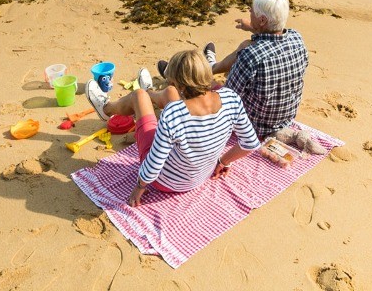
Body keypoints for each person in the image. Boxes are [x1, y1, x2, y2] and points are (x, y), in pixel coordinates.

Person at [87, 51, 261, 208]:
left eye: (173, 82)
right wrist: (223, 161)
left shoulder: (173, 114)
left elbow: (154, 165)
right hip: (200, 175)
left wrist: (140, 186)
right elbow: (250, 143)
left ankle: (106, 109)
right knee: (170, 93)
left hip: (167, 182)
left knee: (138, 96)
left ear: (182, 87)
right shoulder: (231, 98)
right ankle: (149, 92)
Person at [159, 0, 308, 139]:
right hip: (285, 117)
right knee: (246, 46)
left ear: (262, 20)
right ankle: (210, 66)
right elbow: (271, 40)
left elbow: (228, 97)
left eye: (252, 11)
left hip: (254, 124)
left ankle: (181, 73)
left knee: (204, 86)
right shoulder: (297, 38)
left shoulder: (252, 55)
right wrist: (252, 26)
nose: (249, 11)